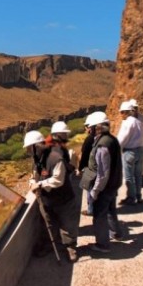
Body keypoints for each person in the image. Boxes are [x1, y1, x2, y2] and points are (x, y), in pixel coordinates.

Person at [24, 130, 78, 262]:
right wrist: (32, 181)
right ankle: (49, 245)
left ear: (36, 146)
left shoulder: (55, 158)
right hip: (48, 200)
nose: (28, 152)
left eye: (29, 149)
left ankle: (70, 247)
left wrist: (40, 184)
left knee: (67, 224)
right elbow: (34, 174)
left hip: (63, 198)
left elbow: (58, 180)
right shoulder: (37, 159)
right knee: (49, 223)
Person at [80, 111, 124, 254]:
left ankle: (103, 244)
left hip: (104, 187)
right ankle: (116, 233)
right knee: (111, 210)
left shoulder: (102, 145)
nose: (87, 130)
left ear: (96, 128)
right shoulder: (111, 139)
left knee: (99, 216)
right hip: (112, 185)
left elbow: (103, 173)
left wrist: (95, 191)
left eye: (89, 127)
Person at [117, 100, 143, 205]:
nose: (121, 115)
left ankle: (131, 197)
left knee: (129, 176)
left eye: (122, 112)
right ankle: (139, 196)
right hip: (140, 150)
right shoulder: (139, 121)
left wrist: (115, 149)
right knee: (138, 175)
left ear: (126, 112)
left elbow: (122, 139)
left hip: (129, 152)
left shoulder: (127, 122)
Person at [129, 99, 143, 188]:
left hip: (142, 143)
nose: (135, 109)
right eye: (133, 108)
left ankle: (142, 180)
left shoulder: (142, 117)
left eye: (136, 108)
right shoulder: (128, 119)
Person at [78, 119, 96, 216]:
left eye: (86, 127)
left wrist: (80, 168)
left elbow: (84, 155)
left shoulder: (89, 139)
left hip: (89, 168)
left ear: (89, 127)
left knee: (89, 189)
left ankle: (91, 209)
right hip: (97, 167)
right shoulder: (99, 137)